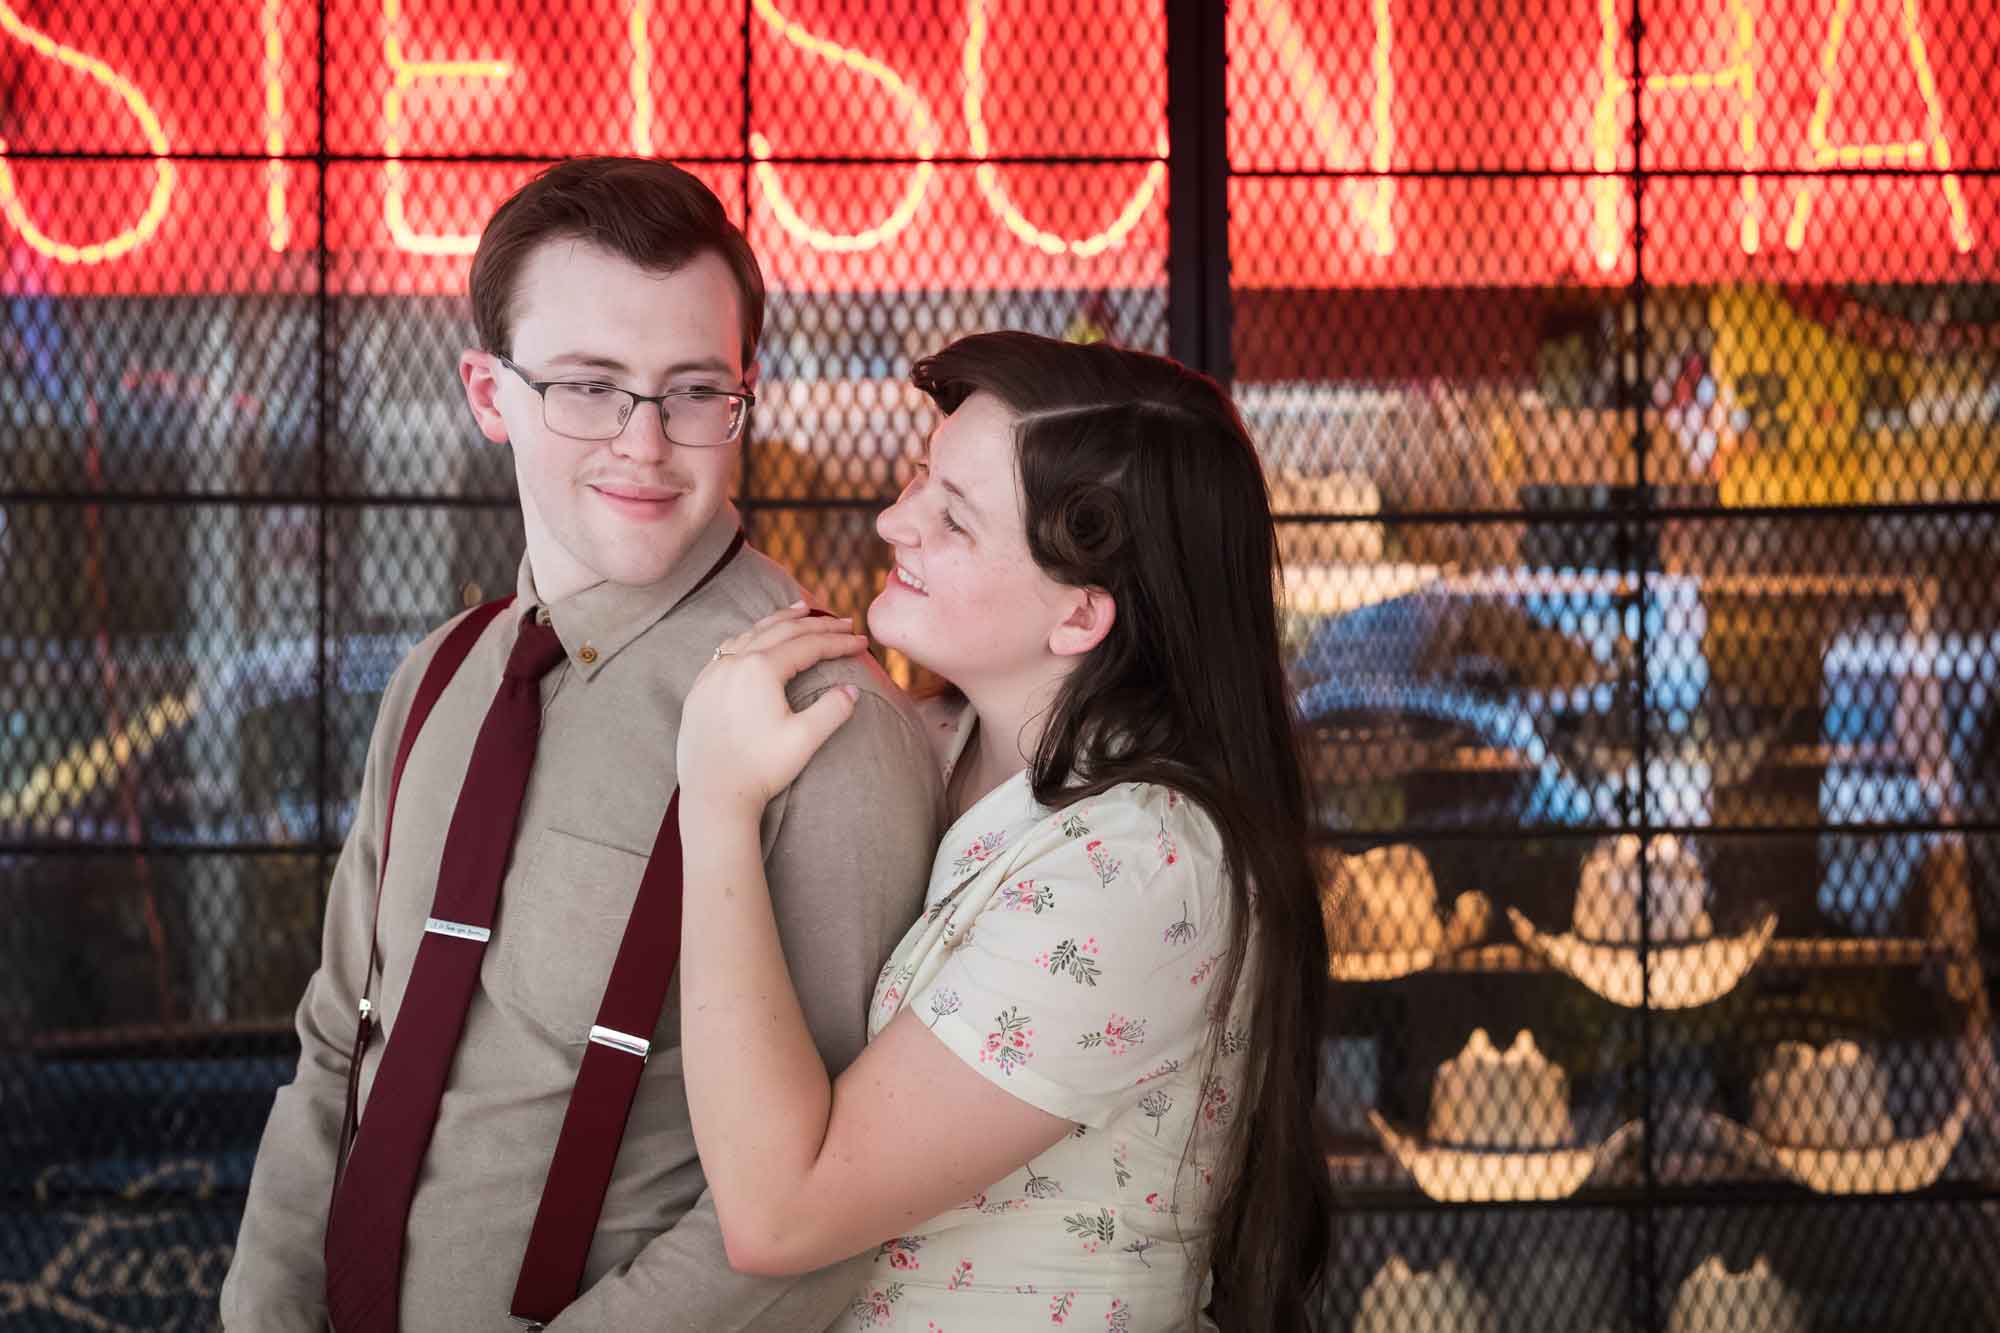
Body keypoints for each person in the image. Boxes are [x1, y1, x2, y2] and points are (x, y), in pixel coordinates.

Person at [220, 157, 942, 1331]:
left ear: (743, 396)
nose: (644, 444)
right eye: (589, 387)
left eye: (692, 391)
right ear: (487, 392)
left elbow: (818, 1215)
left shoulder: (825, 726)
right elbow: (337, 1044)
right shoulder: (440, 677)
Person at [673, 332, 1334, 1331]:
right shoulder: (927, 743)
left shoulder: (1139, 866)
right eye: (919, 476)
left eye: (954, 517)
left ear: (1079, 616)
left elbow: (779, 1214)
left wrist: (716, 805)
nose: (892, 520)